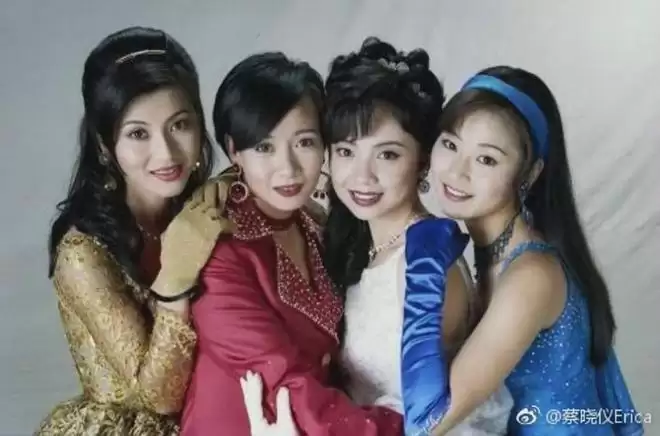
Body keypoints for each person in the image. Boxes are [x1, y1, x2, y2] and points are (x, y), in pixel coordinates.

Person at [238, 37, 514, 436]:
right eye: (346, 152)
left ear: (422, 161)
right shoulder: (356, 239)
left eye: (387, 154)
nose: (362, 176)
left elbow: (429, 416)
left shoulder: (425, 264)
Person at [408, 67, 644, 435]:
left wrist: (421, 260)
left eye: (486, 159)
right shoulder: (490, 256)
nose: (457, 171)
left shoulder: (531, 276)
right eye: (451, 144)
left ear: (530, 174)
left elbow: (430, 420)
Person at [181, 51, 403, 436]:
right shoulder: (219, 252)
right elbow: (283, 382)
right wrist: (401, 426)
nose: (288, 168)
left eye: (304, 142)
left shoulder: (313, 222)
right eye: (264, 148)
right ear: (234, 150)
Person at [37, 26, 228, 435]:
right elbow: (159, 397)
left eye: (179, 125)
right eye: (138, 133)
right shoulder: (82, 252)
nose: (166, 153)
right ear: (105, 145)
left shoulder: (200, 209)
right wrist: (176, 280)